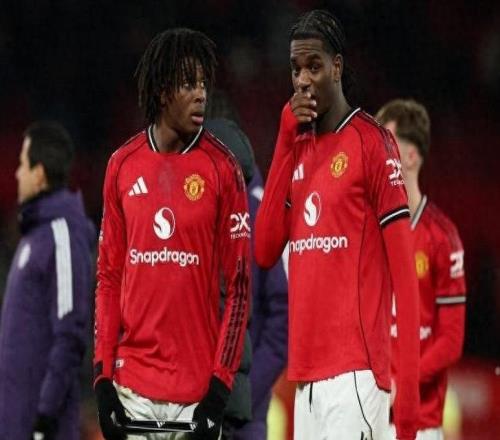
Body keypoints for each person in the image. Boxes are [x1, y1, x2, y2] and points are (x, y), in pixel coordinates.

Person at [254, 9, 420, 440]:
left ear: (337, 67)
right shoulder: (299, 148)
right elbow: (265, 249)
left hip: (356, 378)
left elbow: (405, 276)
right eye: (295, 69)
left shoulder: (372, 143)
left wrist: (409, 392)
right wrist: (284, 140)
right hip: (305, 382)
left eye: (314, 66)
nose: (303, 80)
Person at [93, 28, 250, 440]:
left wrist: (219, 390)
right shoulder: (122, 165)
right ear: (163, 92)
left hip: (196, 397)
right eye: (188, 85)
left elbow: (239, 287)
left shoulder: (223, 169)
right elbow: (108, 278)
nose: (201, 95)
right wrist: (102, 380)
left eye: (203, 85)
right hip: (132, 390)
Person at [376, 99, 467, 440]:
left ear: (411, 157)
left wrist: (404, 382)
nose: (379, 157)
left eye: (388, 147)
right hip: (368, 415)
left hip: (421, 422)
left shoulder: (442, 237)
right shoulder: (368, 232)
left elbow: (450, 341)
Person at [0, 121, 94, 440]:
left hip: (41, 428)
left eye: (22, 165)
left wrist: (44, 417)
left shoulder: (62, 234)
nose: (17, 174)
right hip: (15, 424)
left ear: (39, 174)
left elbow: (70, 334)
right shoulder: (34, 236)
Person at [205, 115, 289, 440]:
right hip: (188, 410)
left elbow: (282, 323)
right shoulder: (184, 220)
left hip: (243, 419)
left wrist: (241, 396)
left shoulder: (259, 218)